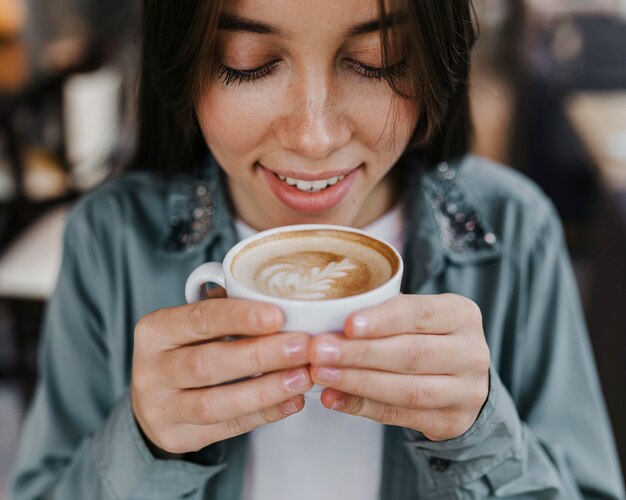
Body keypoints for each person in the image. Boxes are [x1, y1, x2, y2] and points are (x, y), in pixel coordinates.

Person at [8, 0, 626, 498]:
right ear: (185, 62)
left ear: (436, 57)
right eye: (246, 62)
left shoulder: (514, 233)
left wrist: (481, 435)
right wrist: (143, 447)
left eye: (377, 59)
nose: (314, 136)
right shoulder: (110, 240)